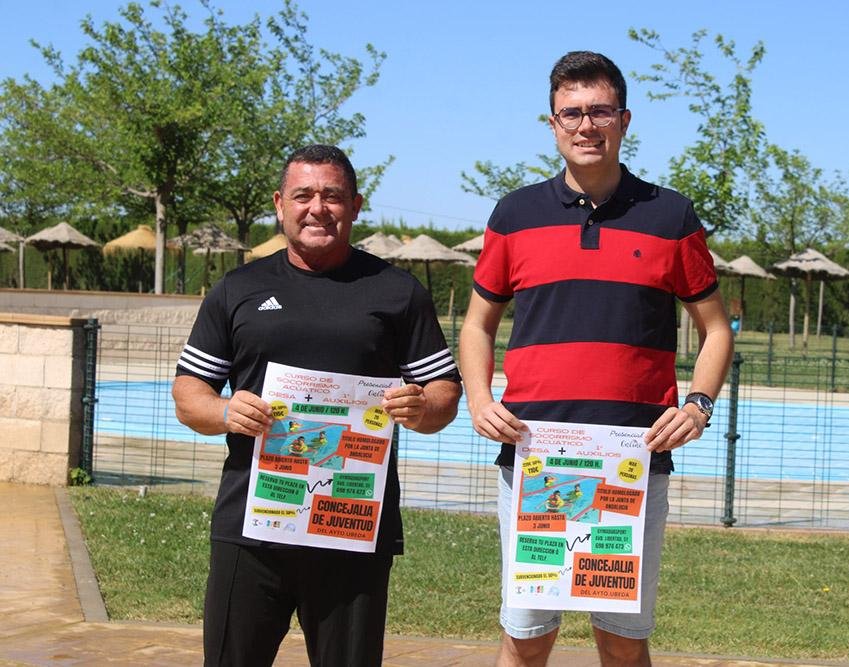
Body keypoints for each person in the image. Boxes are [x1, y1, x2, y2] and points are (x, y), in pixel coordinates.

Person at [459, 52, 733, 666]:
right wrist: (479, 399)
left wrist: (698, 405)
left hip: (631, 461)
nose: (586, 125)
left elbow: (715, 330)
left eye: (599, 111)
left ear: (625, 119)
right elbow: (477, 324)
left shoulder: (670, 216)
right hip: (535, 455)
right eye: (571, 113)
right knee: (526, 641)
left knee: (623, 644)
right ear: (552, 124)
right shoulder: (514, 214)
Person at [172, 144, 462, 667]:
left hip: (351, 521)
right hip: (251, 525)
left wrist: (421, 408)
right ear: (280, 205)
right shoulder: (238, 289)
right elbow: (188, 393)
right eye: (304, 195)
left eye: (332, 196)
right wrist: (224, 412)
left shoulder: (397, 292)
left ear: (355, 205)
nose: (318, 208)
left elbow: (444, 392)